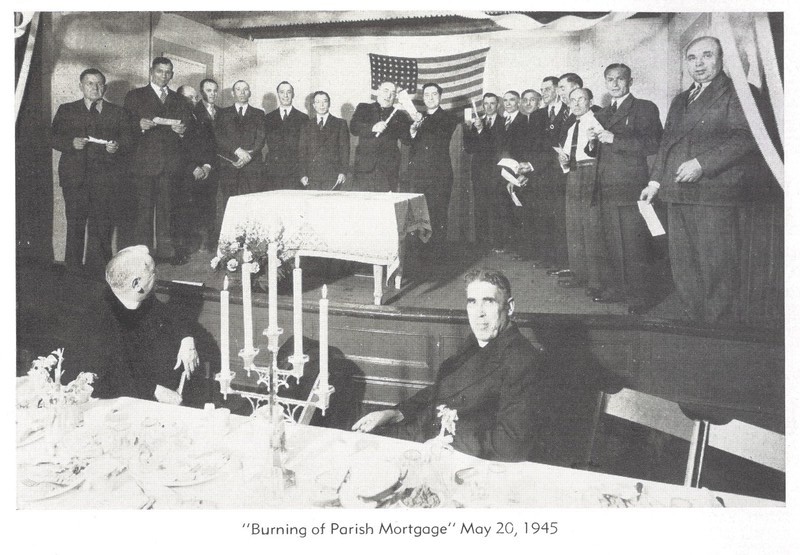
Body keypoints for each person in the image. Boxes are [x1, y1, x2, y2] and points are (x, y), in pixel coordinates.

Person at [352, 269, 550, 462]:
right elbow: (444, 389)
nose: (479, 313)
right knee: (355, 450)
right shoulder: (477, 342)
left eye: (488, 302)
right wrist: (394, 413)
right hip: (423, 432)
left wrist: (447, 441)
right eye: (472, 302)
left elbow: (511, 442)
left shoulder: (523, 361)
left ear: (510, 307)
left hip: (457, 454)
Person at [640, 36, 758, 323]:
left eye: (706, 55)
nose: (699, 63)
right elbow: (667, 144)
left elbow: (746, 137)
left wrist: (703, 164)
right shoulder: (681, 100)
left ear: (722, 59)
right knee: (684, 265)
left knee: (716, 266)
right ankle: (693, 323)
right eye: (692, 58)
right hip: (677, 194)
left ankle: (718, 329)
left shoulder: (740, 92)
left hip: (714, 194)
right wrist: (655, 182)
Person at [65, 245, 200, 401]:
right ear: (136, 284)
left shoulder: (139, 297)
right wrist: (156, 391)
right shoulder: (98, 321)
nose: (157, 276)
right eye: (154, 272)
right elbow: (107, 379)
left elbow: (171, 315)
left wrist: (187, 340)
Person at [591, 63, 664, 314]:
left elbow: (654, 143)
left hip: (631, 187)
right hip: (605, 187)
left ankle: (639, 297)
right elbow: (596, 151)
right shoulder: (601, 113)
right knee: (611, 243)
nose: (614, 84)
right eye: (610, 79)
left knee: (634, 246)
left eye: (620, 79)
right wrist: (592, 142)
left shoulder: (644, 108)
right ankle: (617, 288)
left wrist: (615, 139)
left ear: (630, 81)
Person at [51, 68, 131, 275]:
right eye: (90, 83)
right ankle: (73, 271)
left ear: (104, 87)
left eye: (99, 84)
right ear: (81, 86)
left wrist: (117, 146)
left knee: (102, 227)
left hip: (105, 179)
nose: (95, 88)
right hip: (75, 179)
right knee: (75, 226)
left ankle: (99, 272)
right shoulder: (66, 109)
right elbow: (52, 137)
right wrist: (71, 143)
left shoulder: (118, 112)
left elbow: (128, 141)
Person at [123, 57, 190, 263]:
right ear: (151, 72)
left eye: (168, 72)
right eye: (160, 71)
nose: (164, 75)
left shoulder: (179, 100)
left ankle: (166, 252)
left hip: (170, 164)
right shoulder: (135, 96)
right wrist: (139, 125)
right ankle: (143, 255)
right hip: (144, 164)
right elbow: (124, 127)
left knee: (167, 211)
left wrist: (181, 131)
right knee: (143, 212)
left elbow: (187, 129)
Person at [557, 88, 602, 296]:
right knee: (574, 226)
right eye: (572, 100)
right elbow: (568, 154)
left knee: (591, 228)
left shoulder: (598, 121)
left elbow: (600, 152)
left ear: (590, 101)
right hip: (573, 174)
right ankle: (579, 273)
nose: (575, 104)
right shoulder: (571, 126)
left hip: (590, 173)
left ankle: (596, 281)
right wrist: (564, 160)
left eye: (581, 99)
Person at [407, 83, 459, 249]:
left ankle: (437, 257)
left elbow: (438, 133)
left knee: (437, 215)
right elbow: (410, 143)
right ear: (423, 98)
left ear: (440, 97)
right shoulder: (418, 118)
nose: (430, 98)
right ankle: (420, 254)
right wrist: (413, 131)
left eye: (434, 94)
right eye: (427, 95)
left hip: (439, 175)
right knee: (419, 216)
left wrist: (418, 122)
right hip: (419, 175)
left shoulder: (448, 117)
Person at [172, 85, 215, 261]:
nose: (194, 101)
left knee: (201, 212)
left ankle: (200, 247)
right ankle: (181, 251)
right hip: (181, 175)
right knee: (180, 214)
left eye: (195, 97)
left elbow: (209, 145)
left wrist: (206, 166)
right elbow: (174, 149)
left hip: (202, 175)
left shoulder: (200, 118)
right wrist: (192, 168)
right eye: (188, 97)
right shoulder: (174, 120)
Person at [215, 80, 266, 220]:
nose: (242, 92)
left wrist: (248, 156)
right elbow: (219, 137)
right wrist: (237, 151)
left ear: (249, 92)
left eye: (245, 89)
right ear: (233, 93)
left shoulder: (259, 113)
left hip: (252, 167)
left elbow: (261, 139)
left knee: (252, 204)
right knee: (229, 203)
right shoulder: (222, 113)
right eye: (238, 89)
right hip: (229, 166)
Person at [348, 81, 412, 192]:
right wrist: (373, 128)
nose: (389, 95)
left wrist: (413, 130)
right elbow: (354, 128)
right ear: (378, 91)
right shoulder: (364, 108)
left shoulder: (400, 115)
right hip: (364, 169)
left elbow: (407, 140)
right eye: (386, 91)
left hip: (389, 171)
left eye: (393, 92)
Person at [462, 93, 505, 252]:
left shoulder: (503, 122)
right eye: (486, 103)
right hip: (479, 172)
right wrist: (470, 129)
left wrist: (481, 131)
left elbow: (496, 146)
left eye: (492, 103)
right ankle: (482, 244)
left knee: (496, 208)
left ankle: (498, 243)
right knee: (480, 208)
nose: (488, 106)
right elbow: (469, 148)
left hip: (496, 172)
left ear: (498, 105)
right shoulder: (476, 122)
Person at [298, 91, 350, 190]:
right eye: (318, 102)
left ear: (329, 103)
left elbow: (344, 151)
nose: (321, 105)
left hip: (333, 176)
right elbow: (302, 152)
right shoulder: (306, 125)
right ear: (313, 105)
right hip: (311, 177)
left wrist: (343, 172)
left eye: (324, 101)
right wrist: (303, 174)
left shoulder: (340, 124)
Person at [194, 78, 221, 252]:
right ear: (202, 92)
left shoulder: (222, 112)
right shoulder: (194, 111)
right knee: (201, 205)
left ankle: (214, 242)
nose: (212, 94)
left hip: (218, 165)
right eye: (208, 90)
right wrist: (201, 165)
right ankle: (202, 243)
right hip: (201, 167)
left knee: (215, 205)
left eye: (214, 91)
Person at [264, 81, 307, 190]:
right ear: (278, 94)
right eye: (282, 92)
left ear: (293, 94)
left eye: (289, 92)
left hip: (295, 171)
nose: (285, 95)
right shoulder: (268, 118)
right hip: (273, 171)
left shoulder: (303, 118)